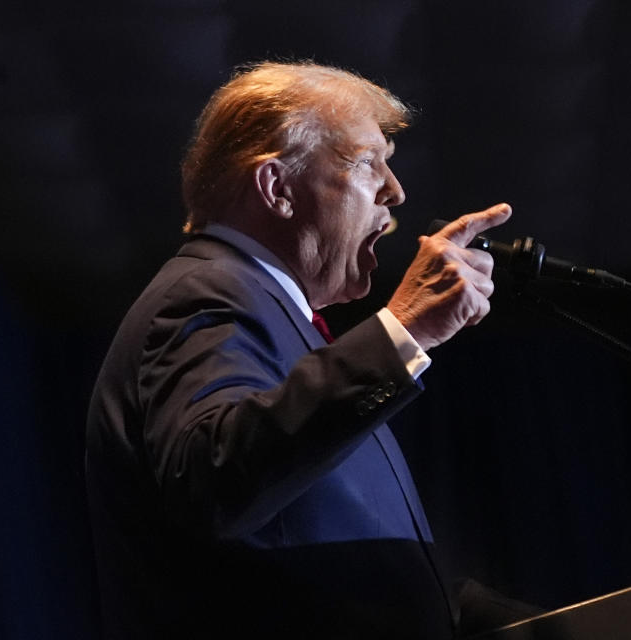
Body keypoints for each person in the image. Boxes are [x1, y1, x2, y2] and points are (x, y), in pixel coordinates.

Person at [85, 61, 518, 639]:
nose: (396, 190)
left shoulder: (282, 319)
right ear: (277, 189)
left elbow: (326, 565)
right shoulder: (206, 292)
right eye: (368, 163)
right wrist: (403, 328)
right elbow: (214, 479)